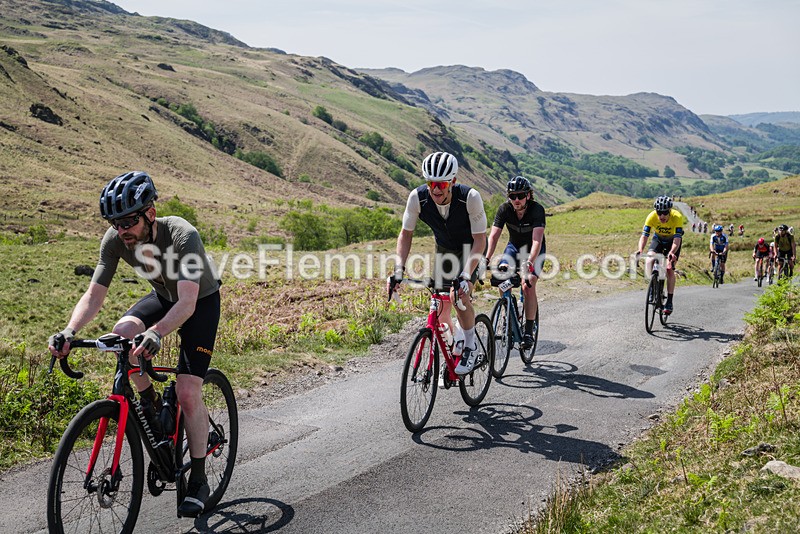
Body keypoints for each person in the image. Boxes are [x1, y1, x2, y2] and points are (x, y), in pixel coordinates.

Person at [48, 171, 222, 518]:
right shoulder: (114, 241)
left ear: (150, 215)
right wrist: (69, 330)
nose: (121, 229)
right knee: (120, 333)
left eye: (128, 220)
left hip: (199, 301)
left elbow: (186, 304)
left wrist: (157, 332)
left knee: (188, 392)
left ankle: (199, 479)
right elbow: (94, 295)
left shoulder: (183, 235)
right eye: (114, 222)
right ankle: (151, 404)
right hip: (162, 295)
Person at [389, 152, 487, 374]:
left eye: (441, 184)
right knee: (440, 307)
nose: (435, 190)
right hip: (445, 249)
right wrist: (398, 270)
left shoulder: (470, 197)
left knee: (458, 296)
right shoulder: (418, 198)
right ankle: (453, 347)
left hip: (472, 248)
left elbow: (480, 240)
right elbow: (405, 234)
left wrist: (464, 276)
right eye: (431, 183)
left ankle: (470, 345)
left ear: (452, 181)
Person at [485, 176, 545, 349]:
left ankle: (527, 330)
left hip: (534, 250)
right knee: (502, 276)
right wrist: (486, 258)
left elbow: (536, 241)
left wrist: (530, 262)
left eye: (520, 195)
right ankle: (508, 316)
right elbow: (494, 236)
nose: (516, 200)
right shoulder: (504, 209)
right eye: (513, 196)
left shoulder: (537, 210)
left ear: (528, 195)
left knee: (528, 285)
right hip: (514, 247)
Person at [636, 196, 683, 314]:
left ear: (670, 211)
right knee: (649, 260)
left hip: (673, 242)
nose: (662, 216)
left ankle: (669, 301)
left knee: (669, 269)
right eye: (659, 212)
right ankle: (652, 287)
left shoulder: (677, 217)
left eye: (665, 213)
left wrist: (672, 252)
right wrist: (640, 250)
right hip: (659, 240)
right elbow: (645, 235)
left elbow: (677, 239)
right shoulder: (651, 216)